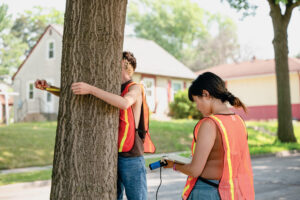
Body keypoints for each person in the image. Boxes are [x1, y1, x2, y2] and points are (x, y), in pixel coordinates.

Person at [35, 51, 153, 200]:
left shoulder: (134, 88)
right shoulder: (110, 88)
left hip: (131, 157)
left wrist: (91, 89)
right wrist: (48, 88)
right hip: (110, 156)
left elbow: (124, 103)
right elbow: (77, 94)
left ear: (125, 64)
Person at [164, 72, 255, 200]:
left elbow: (195, 170)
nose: (197, 107)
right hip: (231, 192)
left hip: (207, 191)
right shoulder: (239, 121)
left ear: (206, 94)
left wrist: (172, 164)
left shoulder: (210, 124)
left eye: (197, 101)